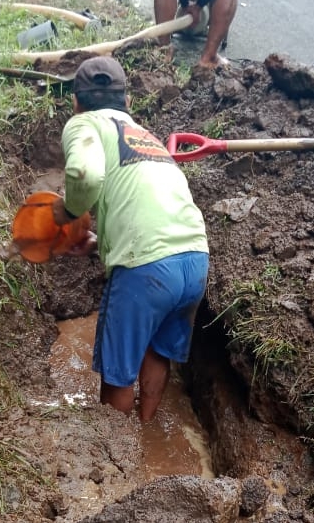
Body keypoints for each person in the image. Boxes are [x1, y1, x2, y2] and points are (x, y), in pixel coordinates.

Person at [52, 55, 209, 423]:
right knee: (157, 353)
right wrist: (100, 243)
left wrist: (71, 212)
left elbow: (84, 174)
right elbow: (143, 209)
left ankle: (115, 462)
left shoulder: (83, 123)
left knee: (118, 371)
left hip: (147, 269)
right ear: (127, 102)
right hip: (195, 260)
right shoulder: (144, 136)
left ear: (75, 102)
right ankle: (146, 428)